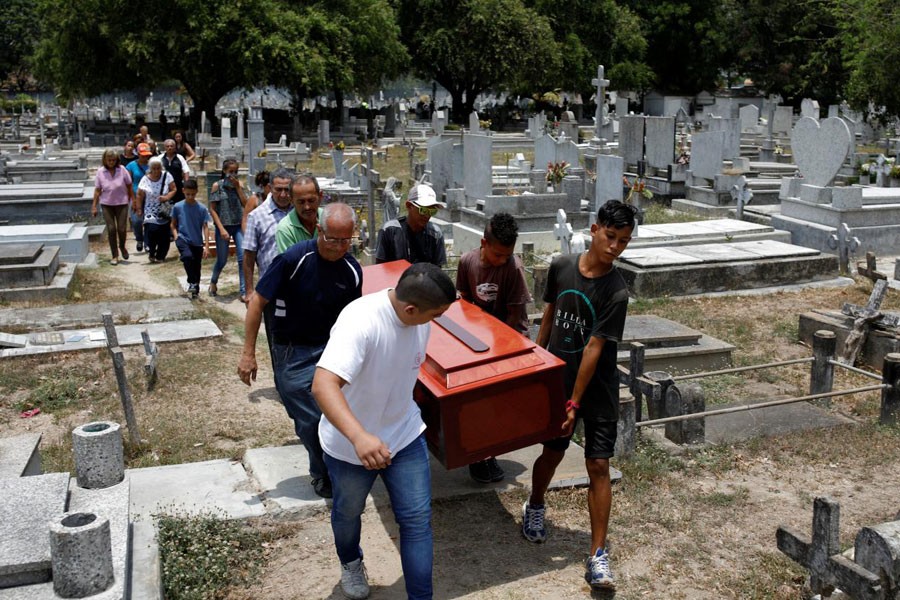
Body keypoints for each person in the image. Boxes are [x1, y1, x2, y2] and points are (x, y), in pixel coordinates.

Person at [312, 262, 457, 600]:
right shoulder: (361, 322)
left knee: (417, 520)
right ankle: (351, 561)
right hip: (350, 446)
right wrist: (360, 437)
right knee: (348, 512)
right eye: (434, 314)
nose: (436, 321)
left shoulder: (418, 319)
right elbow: (323, 385)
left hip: (404, 434)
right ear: (410, 309)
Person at [520, 200, 636, 591]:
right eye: (611, 236)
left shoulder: (616, 292)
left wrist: (575, 403)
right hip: (558, 381)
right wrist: (535, 363)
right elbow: (549, 317)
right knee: (552, 453)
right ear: (594, 229)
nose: (616, 247)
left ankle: (597, 555)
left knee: (598, 466)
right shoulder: (561, 267)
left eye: (623, 241)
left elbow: (594, 348)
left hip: (597, 390)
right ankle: (535, 504)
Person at [238, 203, 362, 499]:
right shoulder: (294, 258)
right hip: (291, 348)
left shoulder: (352, 270)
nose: (339, 247)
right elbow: (257, 303)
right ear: (320, 231)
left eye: (346, 240)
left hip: (330, 347)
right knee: (308, 416)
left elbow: (354, 317)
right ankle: (324, 469)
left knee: (333, 412)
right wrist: (248, 353)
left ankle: (329, 471)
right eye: (333, 239)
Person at [455, 212, 531, 484]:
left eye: (507, 255)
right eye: (498, 254)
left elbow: (513, 318)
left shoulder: (513, 268)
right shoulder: (467, 262)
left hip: (507, 342)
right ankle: (478, 454)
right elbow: (462, 302)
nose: (502, 260)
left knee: (496, 405)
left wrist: (497, 353)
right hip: (476, 340)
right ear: (483, 243)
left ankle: (488, 453)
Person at [375, 183, 446, 266]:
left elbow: (437, 272)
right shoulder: (389, 231)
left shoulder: (435, 234)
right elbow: (380, 268)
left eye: (432, 211)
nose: (427, 215)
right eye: (423, 210)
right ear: (409, 206)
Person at [208, 159, 248, 300]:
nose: (233, 175)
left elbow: (246, 204)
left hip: (238, 225)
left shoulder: (240, 186)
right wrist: (221, 229)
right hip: (223, 226)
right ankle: (213, 281)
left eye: (236, 172)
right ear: (224, 171)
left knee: (243, 258)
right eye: (230, 171)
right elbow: (212, 210)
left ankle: (244, 291)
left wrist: (238, 188)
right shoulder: (217, 186)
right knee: (222, 259)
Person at [92, 148, 134, 265]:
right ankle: (114, 255)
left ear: (117, 160)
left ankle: (122, 246)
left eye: (113, 160)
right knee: (111, 229)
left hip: (122, 203)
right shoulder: (101, 172)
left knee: (121, 228)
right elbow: (97, 190)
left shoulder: (122, 170)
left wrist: (134, 201)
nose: (111, 162)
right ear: (105, 160)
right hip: (106, 204)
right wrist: (94, 206)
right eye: (109, 160)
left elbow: (129, 186)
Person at [170, 179, 210, 299]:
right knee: (187, 257)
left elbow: (206, 227)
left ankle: (195, 289)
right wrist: (176, 237)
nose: (190, 197)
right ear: (183, 191)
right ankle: (191, 282)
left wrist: (206, 246)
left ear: (196, 192)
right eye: (188, 194)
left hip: (197, 241)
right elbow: (173, 224)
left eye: (193, 194)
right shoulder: (178, 207)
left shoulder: (202, 209)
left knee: (196, 266)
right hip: (183, 238)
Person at [136, 156, 176, 263]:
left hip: (163, 209)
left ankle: (160, 256)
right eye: (154, 168)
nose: (156, 171)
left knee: (164, 233)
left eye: (158, 168)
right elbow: (139, 195)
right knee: (152, 230)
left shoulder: (167, 176)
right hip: (150, 209)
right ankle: (151, 251)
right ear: (150, 168)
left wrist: (167, 197)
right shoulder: (145, 179)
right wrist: (139, 208)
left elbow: (174, 189)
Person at [274, 174, 324, 252]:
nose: (307, 207)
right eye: (301, 202)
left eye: (311, 201)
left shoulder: (329, 219)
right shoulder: (286, 229)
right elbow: (290, 263)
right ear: (291, 200)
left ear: (320, 196)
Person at [125, 143, 153, 253]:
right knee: (136, 220)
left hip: (150, 197)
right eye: (143, 155)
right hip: (136, 196)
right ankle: (139, 238)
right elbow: (128, 183)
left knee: (149, 221)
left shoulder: (152, 165)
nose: (145, 157)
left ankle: (147, 242)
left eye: (147, 155)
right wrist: (133, 198)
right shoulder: (131, 166)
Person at [160, 138, 191, 203]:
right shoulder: (160, 158)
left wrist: (186, 185)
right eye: (167, 146)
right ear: (164, 147)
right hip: (164, 187)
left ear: (175, 147)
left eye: (171, 146)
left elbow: (186, 171)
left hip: (178, 186)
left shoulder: (180, 158)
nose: (169, 148)